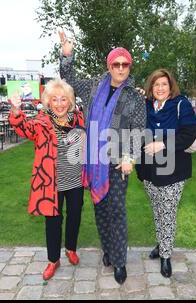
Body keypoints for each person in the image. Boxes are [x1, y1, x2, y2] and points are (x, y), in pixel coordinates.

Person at [59, 31, 146, 285]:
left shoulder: (134, 95)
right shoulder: (95, 85)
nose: (121, 68)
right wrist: (67, 54)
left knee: (116, 211)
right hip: (94, 160)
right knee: (100, 210)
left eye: (125, 64)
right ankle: (107, 250)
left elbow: (139, 128)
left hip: (118, 161)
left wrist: (130, 156)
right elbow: (69, 78)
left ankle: (119, 261)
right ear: (109, 66)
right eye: (116, 64)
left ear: (129, 66)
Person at [9, 79, 85, 281]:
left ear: (69, 101)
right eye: (54, 100)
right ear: (48, 102)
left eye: (63, 99)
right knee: (53, 221)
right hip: (52, 183)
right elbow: (23, 127)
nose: (59, 104)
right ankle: (53, 260)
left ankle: (70, 248)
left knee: (75, 216)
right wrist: (16, 110)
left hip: (76, 180)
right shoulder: (41, 122)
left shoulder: (79, 119)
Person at [136, 69, 196, 278]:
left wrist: (162, 144)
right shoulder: (145, 104)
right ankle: (162, 243)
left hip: (174, 170)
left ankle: (165, 255)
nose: (160, 88)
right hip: (148, 169)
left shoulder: (181, 104)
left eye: (164, 84)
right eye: (156, 85)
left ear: (171, 86)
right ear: (150, 88)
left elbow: (189, 135)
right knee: (157, 210)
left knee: (168, 212)